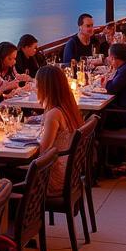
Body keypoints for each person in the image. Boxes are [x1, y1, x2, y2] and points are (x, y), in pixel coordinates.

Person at [35, 65, 83, 197]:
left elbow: (43, 153)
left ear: (45, 88)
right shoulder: (68, 107)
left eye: (37, 85)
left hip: (54, 179)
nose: (35, 89)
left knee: (6, 176)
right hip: (70, 173)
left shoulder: (54, 114)